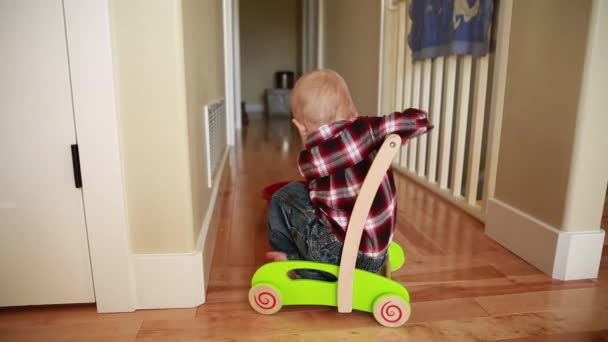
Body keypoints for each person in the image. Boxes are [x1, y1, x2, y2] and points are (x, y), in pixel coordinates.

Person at [266, 69, 431, 280]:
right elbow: (417, 120)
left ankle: (290, 261)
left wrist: (306, 142)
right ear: (352, 111)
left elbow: (313, 182)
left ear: (300, 125)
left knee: (284, 196)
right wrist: (401, 131)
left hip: (340, 255)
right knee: (306, 194)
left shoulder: (311, 157)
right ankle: (308, 263)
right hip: (375, 253)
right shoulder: (367, 130)